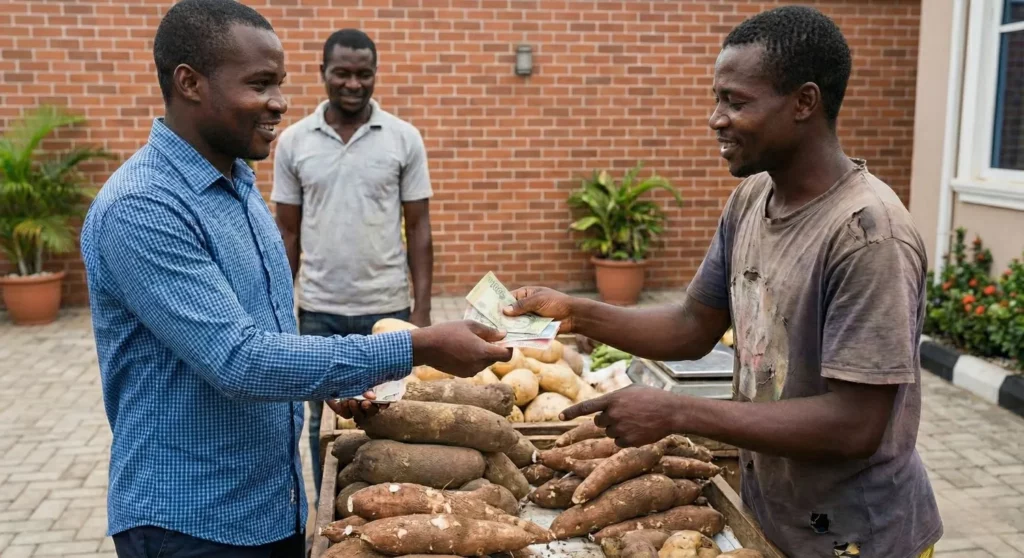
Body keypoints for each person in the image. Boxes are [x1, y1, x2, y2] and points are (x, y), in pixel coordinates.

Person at [503, 6, 941, 558]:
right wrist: (574, 312)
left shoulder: (868, 236)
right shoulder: (752, 199)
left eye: (736, 102)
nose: (716, 118)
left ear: (804, 102)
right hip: (774, 513)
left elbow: (855, 425)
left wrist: (678, 411)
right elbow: (692, 326)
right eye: (717, 99)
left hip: (859, 536)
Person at [79, 1, 511, 556]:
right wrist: (414, 345)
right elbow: (239, 360)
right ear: (189, 82)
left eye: (280, 83)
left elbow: (268, 333)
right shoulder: (143, 207)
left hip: (270, 504)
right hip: (191, 522)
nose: (280, 103)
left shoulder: (234, 181)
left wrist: (335, 379)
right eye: (260, 84)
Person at [271, 28, 435, 498]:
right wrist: (282, 312)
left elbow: (419, 228)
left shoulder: (404, 138)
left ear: (374, 75)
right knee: (321, 421)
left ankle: (390, 505)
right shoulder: (294, 142)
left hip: (386, 311)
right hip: (319, 312)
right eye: (342, 73)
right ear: (323, 73)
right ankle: (327, 514)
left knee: (393, 416)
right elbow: (288, 233)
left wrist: (420, 313)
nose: (353, 83)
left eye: (364, 74)